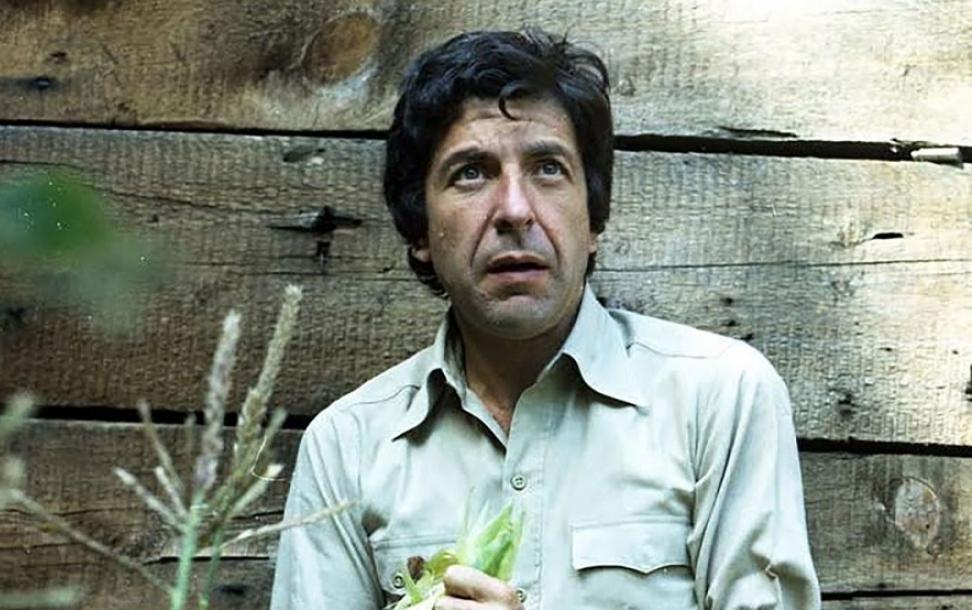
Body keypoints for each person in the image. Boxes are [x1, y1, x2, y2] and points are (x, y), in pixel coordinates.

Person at [270, 30, 821, 610]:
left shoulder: (718, 397)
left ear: (593, 219)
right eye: (471, 173)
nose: (514, 210)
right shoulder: (347, 446)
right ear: (420, 230)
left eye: (548, 168)